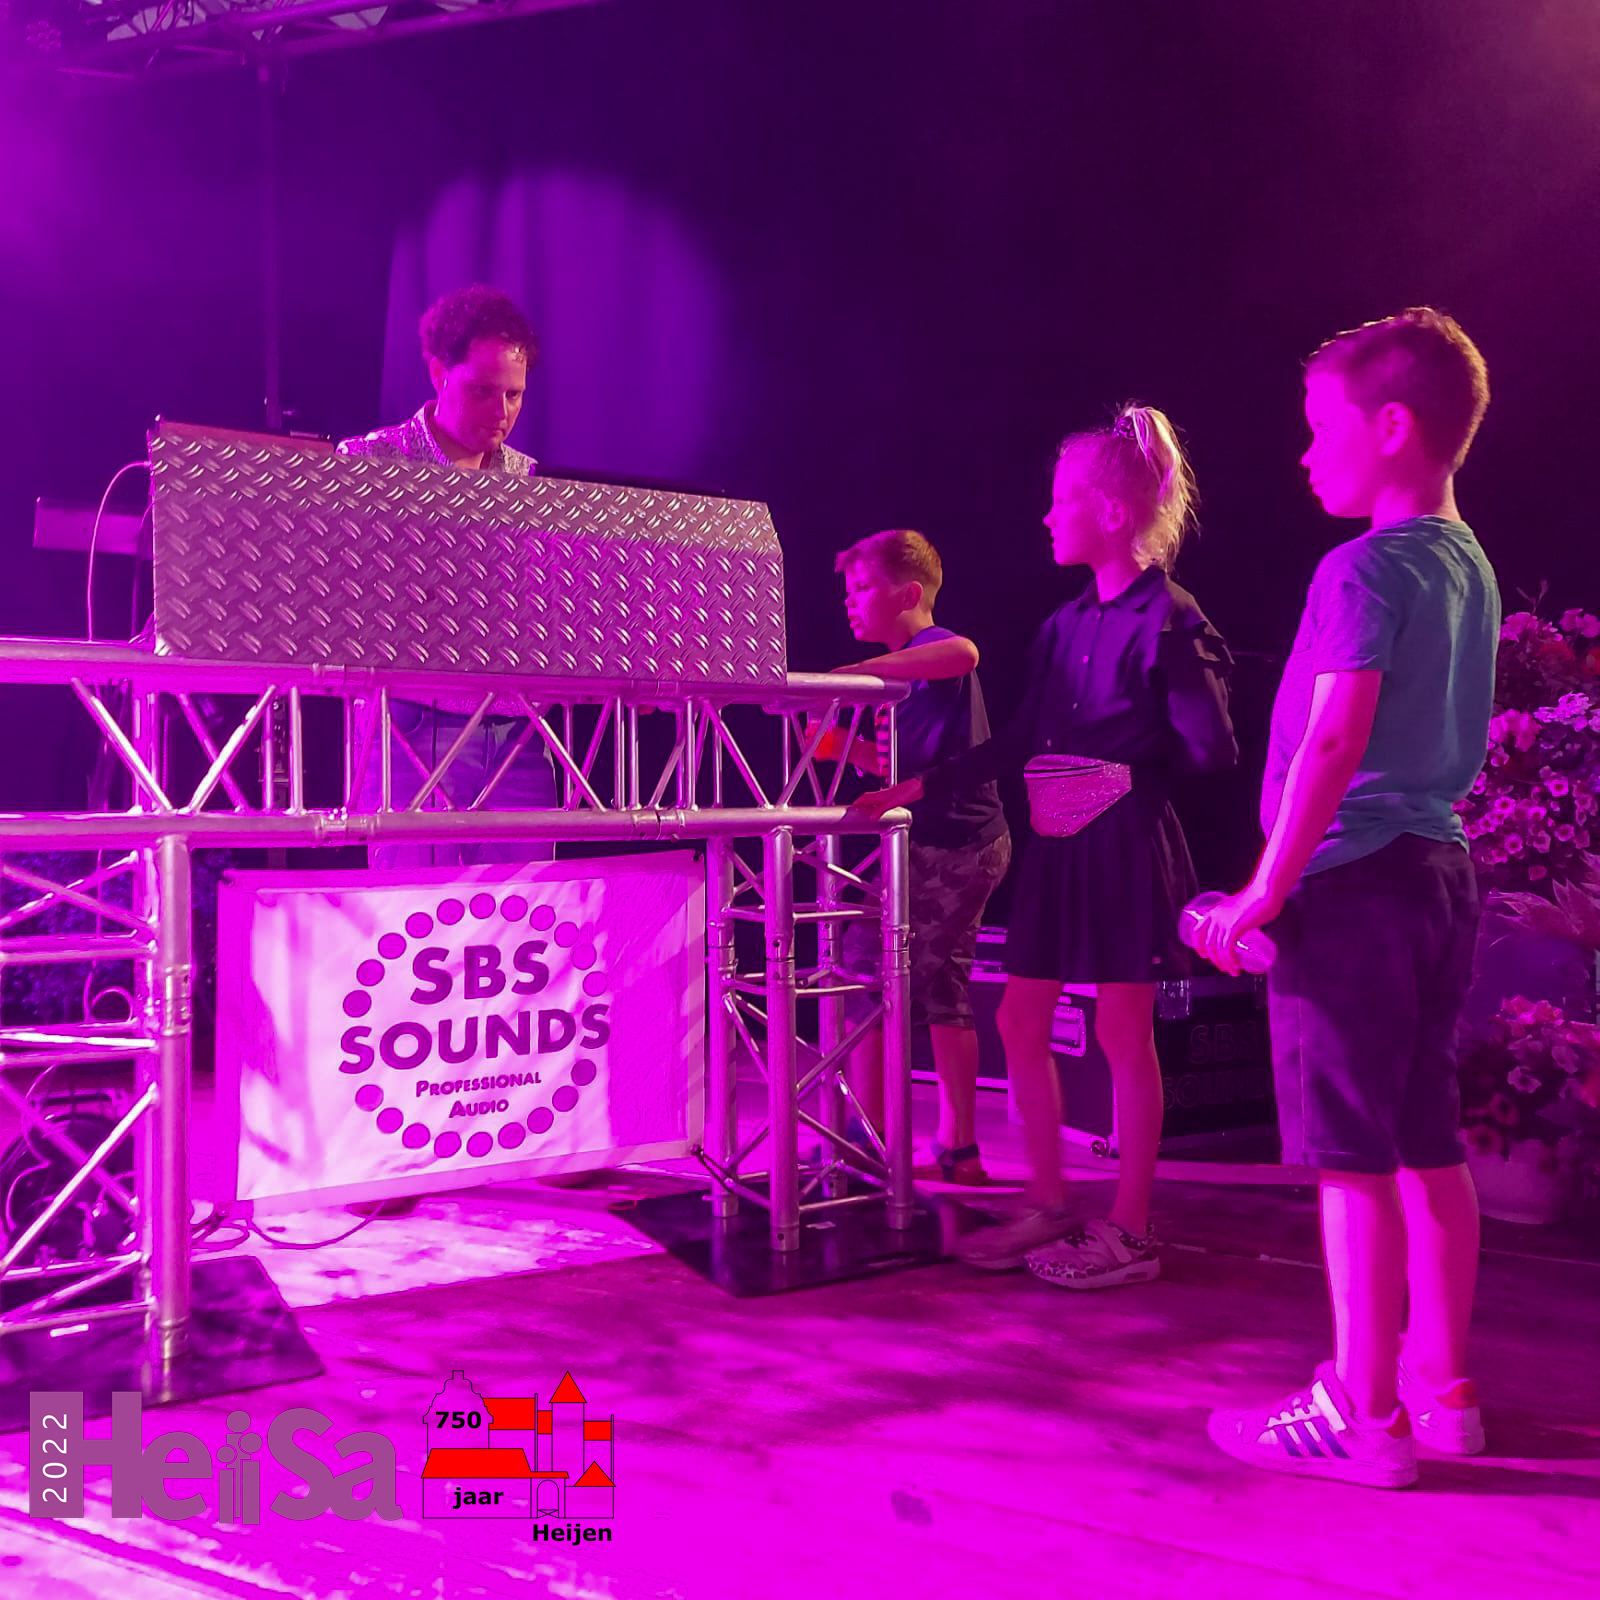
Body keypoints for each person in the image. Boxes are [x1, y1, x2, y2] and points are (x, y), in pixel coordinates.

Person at [1198, 308, 1498, 1489]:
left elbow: (1333, 740)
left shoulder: (1363, 566)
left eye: (1323, 429)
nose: (1307, 454)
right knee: (1426, 1141)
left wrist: (1261, 890)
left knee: (1350, 1160)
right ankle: (1443, 1389)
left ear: (1392, 426)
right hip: (1437, 876)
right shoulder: (1466, 566)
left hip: (1350, 885)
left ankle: (1363, 1418)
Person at [855, 405, 1236, 1285]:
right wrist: (917, 786)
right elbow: (1024, 735)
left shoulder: (1170, 616)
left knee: (1122, 1030)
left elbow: (1211, 750)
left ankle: (1130, 1228)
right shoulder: (1066, 624)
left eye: (1062, 501)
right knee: (1021, 1018)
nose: (1047, 515)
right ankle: (1051, 1202)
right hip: (1062, 845)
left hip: (1122, 843)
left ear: (1110, 511)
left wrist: (1121, 767)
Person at [338, 283, 559, 868]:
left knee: (527, 904)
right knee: (412, 904)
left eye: (514, 394)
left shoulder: (530, 480)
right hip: (411, 726)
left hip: (517, 734)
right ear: (439, 373)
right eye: (483, 390)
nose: (501, 411)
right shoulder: (371, 464)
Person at [823, 530, 1012, 1185]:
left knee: (863, 970)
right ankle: (959, 1149)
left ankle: (866, 1141)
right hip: (962, 842)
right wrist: (840, 749)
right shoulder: (898, 678)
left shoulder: (929, 650)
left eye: (863, 588)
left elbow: (965, 652)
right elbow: (901, 768)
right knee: (943, 991)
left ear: (907, 595)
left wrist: (850, 675)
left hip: (953, 844)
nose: (850, 602)